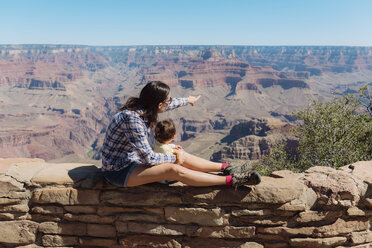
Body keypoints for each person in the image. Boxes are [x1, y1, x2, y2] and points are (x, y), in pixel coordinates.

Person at [101, 81, 261, 188]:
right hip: (119, 171)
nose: (170, 103)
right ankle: (231, 180)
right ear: (159, 104)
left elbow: (169, 105)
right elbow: (148, 158)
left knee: (180, 153)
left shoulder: (144, 105)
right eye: (167, 101)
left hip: (132, 161)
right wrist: (176, 159)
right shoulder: (133, 119)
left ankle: (228, 168)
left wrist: (188, 100)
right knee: (174, 169)